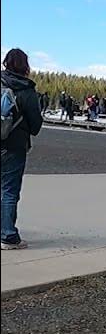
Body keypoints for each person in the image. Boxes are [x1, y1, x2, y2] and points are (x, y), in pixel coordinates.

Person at [2, 49, 44, 250]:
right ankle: (8, 235)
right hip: (14, 146)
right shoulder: (27, 91)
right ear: (25, 66)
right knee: (9, 191)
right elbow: (36, 126)